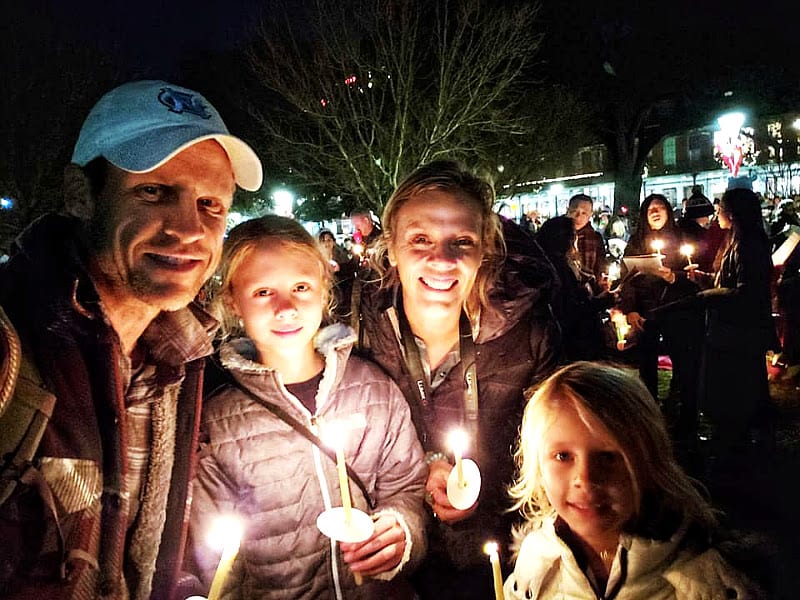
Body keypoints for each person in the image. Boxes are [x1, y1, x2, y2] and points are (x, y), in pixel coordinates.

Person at [0, 80, 263, 599]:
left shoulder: (181, 356)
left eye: (211, 203)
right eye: (153, 192)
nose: (189, 229)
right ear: (80, 195)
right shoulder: (10, 345)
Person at [187, 215, 427, 599]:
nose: (286, 308)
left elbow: (408, 488)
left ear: (323, 289)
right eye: (263, 292)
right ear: (233, 300)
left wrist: (402, 531)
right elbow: (215, 563)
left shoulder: (374, 390)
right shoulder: (217, 423)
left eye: (300, 287)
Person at [357, 160, 559, 599]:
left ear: (484, 246)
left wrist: (478, 481)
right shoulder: (355, 325)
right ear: (391, 246)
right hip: (392, 567)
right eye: (420, 239)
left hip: (501, 562)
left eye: (461, 241)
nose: (442, 260)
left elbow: (558, 459)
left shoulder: (530, 331)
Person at [504, 362, 761, 599]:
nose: (585, 477)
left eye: (607, 457)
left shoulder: (705, 581)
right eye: (562, 456)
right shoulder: (536, 567)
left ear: (648, 461)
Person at [690, 188, 778, 472]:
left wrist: (709, 295)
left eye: (721, 208)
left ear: (733, 213)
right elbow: (728, 282)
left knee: (736, 387)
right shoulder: (737, 241)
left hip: (738, 331)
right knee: (736, 386)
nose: (717, 213)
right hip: (730, 328)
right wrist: (705, 280)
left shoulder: (749, 245)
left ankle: (737, 445)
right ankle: (738, 440)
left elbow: (747, 292)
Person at [619, 194, 701, 439]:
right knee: (647, 367)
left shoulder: (682, 238)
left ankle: (686, 419)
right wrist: (631, 309)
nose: (655, 212)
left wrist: (673, 277)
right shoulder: (636, 241)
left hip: (678, 310)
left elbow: (695, 276)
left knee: (684, 366)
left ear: (668, 211)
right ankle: (649, 417)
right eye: (650, 209)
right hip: (647, 312)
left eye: (660, 208)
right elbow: (627, 279)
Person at [535, 216, 609, 361]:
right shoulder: (559, 269)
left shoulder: (550, 265)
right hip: (574, 344)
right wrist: (603, 301)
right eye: (574, 235)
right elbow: (570, 309)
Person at [566, 193, 607, 293]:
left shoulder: (595, 238)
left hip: (589, 293)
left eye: (584, 213)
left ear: (590, 214)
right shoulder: (557, 235)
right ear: (567, 210)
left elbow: (600, 267)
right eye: (574, 211)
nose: (578, 216)